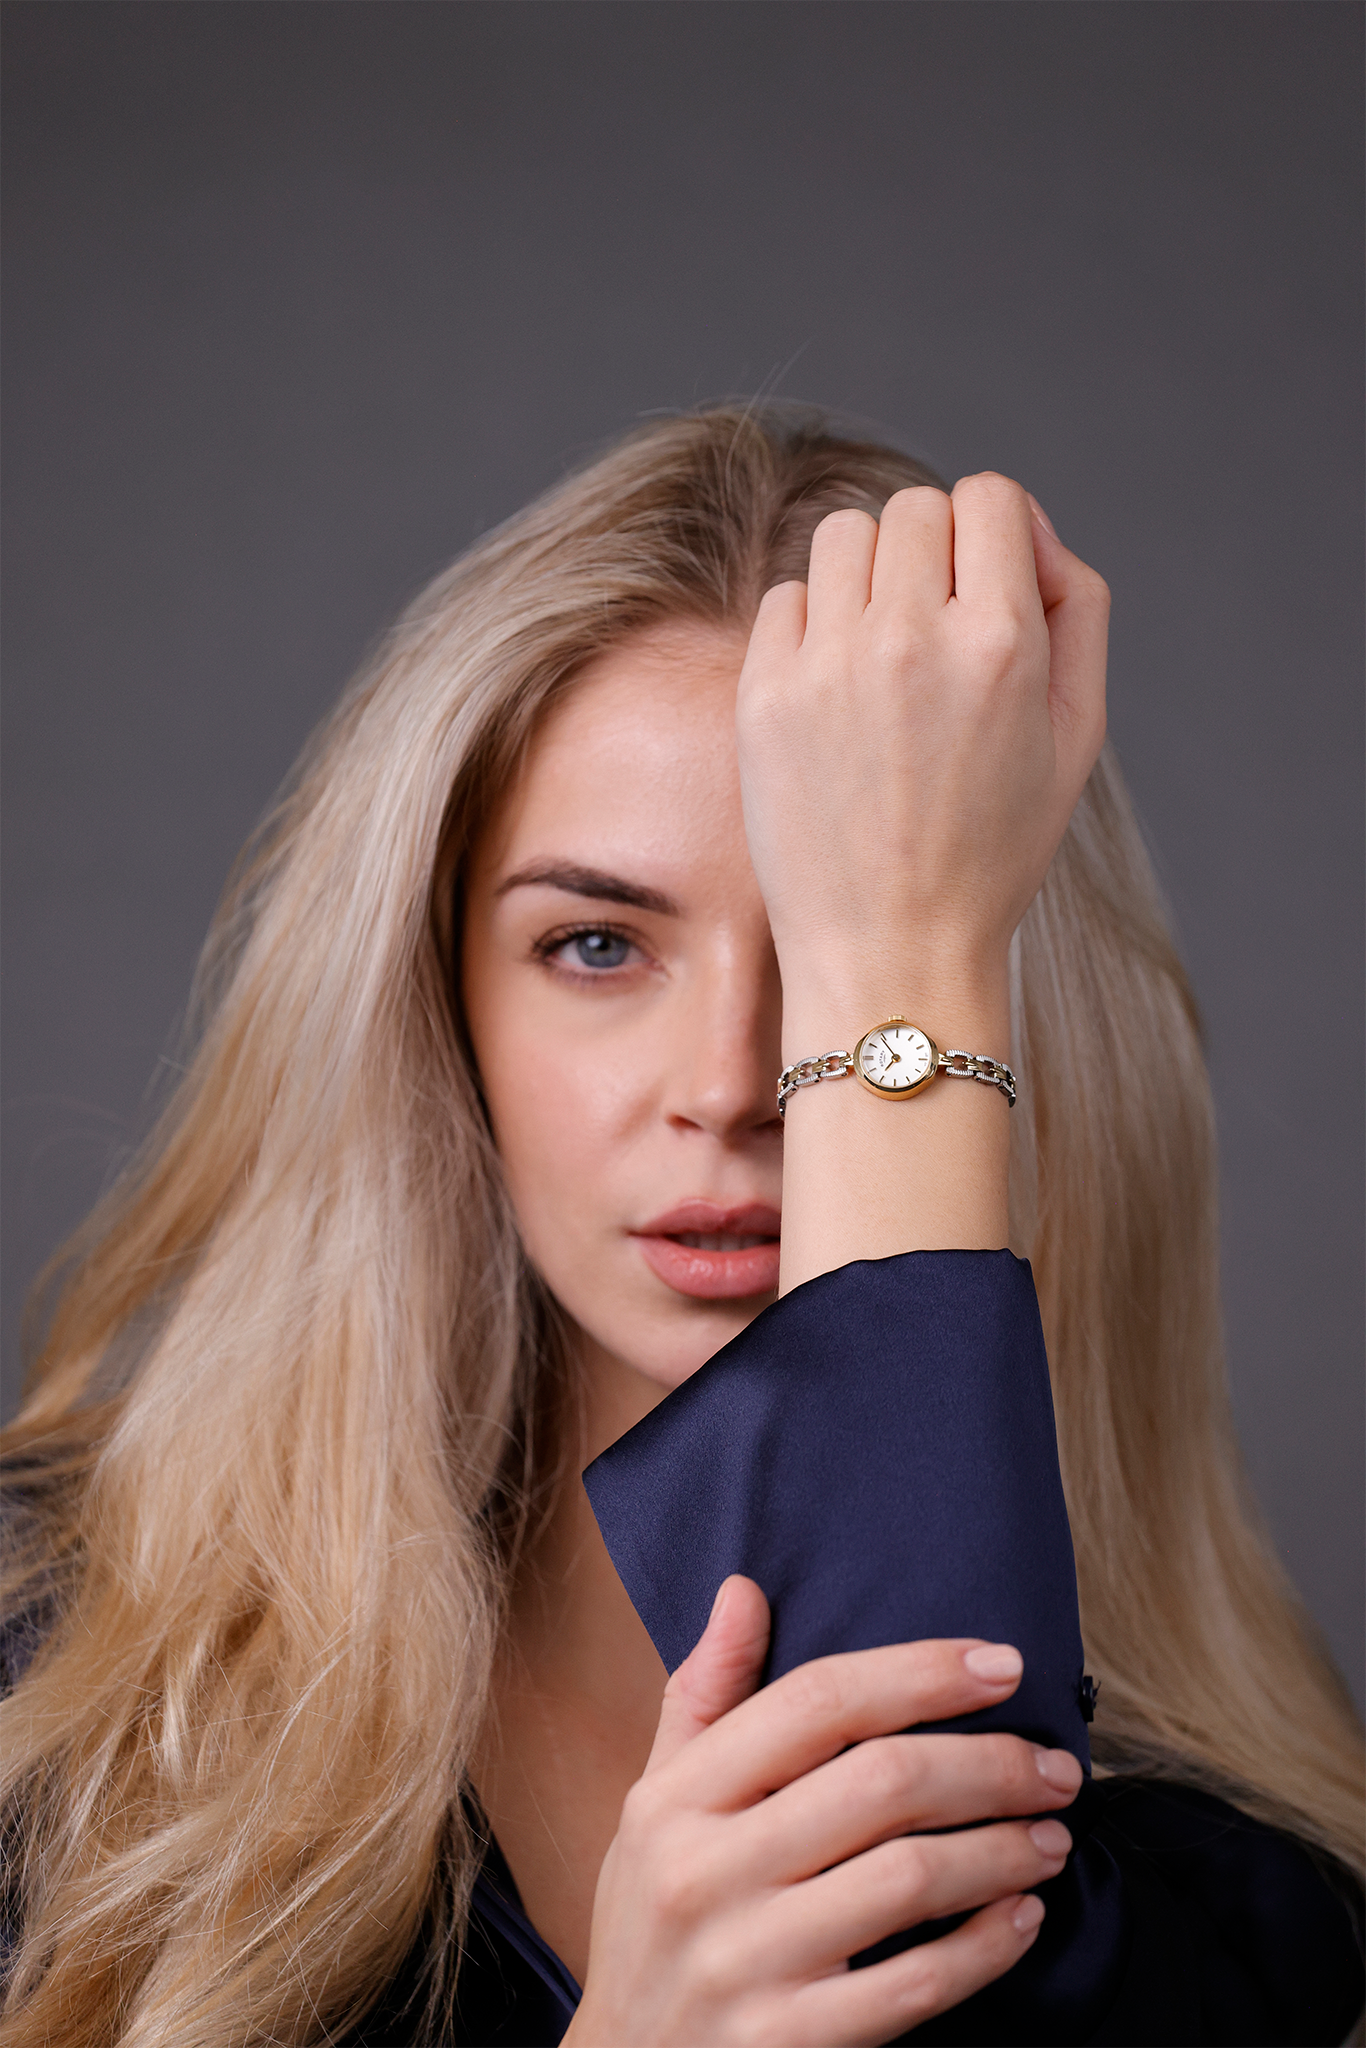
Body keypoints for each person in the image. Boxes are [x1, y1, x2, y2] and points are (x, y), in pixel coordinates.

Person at [0, 407, 1362, 2048]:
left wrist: (903, 995)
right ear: (439, 1010)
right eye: (594, 946)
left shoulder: (1230, 1886)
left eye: (836, 950)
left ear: (1007, 1020)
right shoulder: (53, 1695)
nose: (730, 1087)